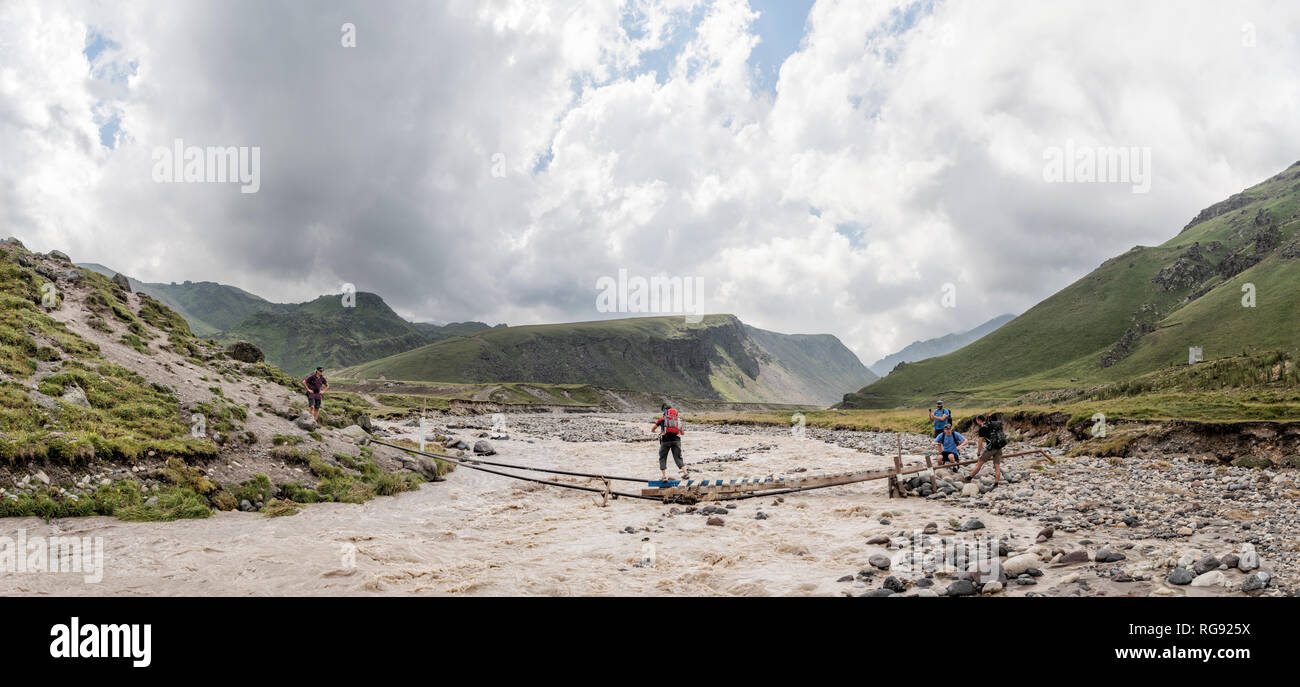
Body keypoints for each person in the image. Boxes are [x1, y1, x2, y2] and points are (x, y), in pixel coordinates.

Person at [966, 414, 1009, 486]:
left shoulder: (983, 428)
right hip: (999, 447)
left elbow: (980, 443)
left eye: (977, 421)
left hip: (991, 449)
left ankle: (969, 478)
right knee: (997, 466)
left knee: (979, 463)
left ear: (978, 420)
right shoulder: (994, 425)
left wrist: (978, 453)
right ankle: (996, 483)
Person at [652, 406, 689, 482]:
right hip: (676, 441)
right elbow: (683, 433)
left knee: (662, 458)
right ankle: (685, 474)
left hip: (665, 441)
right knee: (678, 457)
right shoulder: (677, 421)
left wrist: (658, 432)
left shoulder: (662, 419)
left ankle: (664, 476)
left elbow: (652, 429)